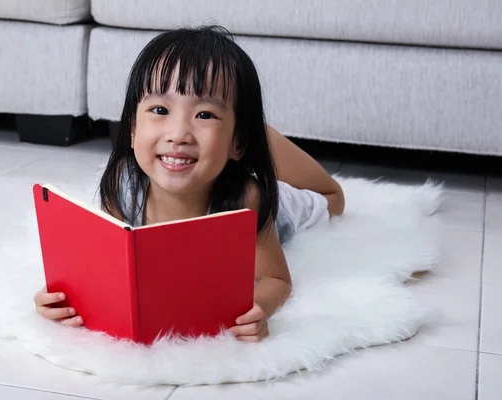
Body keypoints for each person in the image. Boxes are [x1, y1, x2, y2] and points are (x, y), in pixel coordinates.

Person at [34, 25, 345, 343]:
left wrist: (258, 309)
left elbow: (275, 278)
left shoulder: (246, 198)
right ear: (131, 130)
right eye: (159, 110)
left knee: (333, 198)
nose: (178, 133)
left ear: (238, 144)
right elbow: (104, 266)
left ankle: (255, 136)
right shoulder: (122, 183)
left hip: (274, 202)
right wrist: (61, 297)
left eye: (205, 114)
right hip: (224, 147)